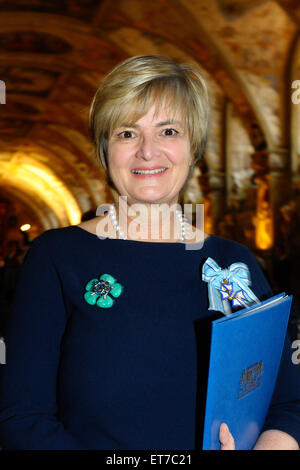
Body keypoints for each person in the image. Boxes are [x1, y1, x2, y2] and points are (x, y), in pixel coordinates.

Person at [0, 56, 299, 450]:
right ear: (104, 149)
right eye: (126, 133)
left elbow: (289, 402)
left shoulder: (235, 262)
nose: (147, 151)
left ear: (193, 149)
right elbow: (21, 417)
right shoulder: (58, 257)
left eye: (169, 131)